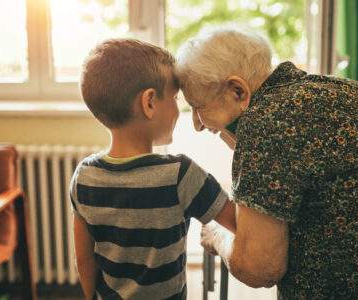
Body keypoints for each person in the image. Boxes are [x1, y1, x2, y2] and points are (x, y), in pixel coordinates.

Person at [175, 27, 358, 299]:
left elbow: (259, 267)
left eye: (198, 106)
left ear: (238, 91)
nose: (197, 124)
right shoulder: (342, 91)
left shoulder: (267, 121)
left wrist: (218, 237)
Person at [71, 38, 236, 300]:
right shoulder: (181, 175)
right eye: (174, 96)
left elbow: (84, 258)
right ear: (149, 102)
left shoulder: (84, 176)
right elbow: (239, 222)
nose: (179, 107)